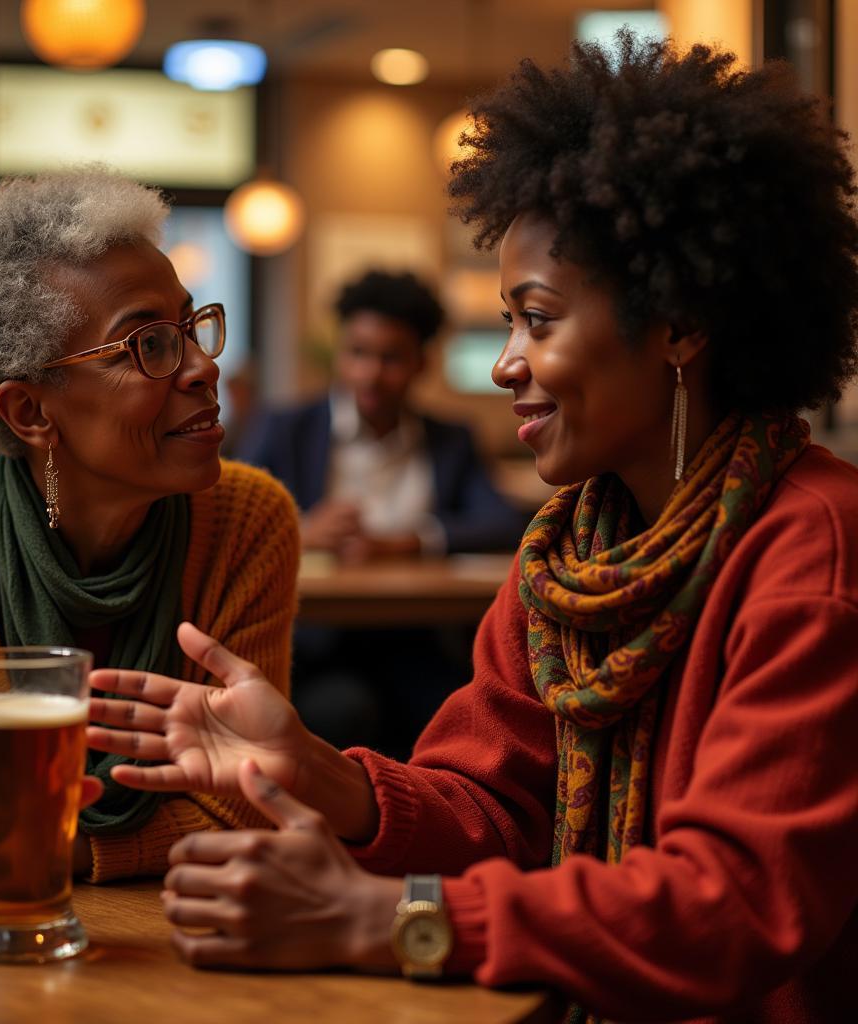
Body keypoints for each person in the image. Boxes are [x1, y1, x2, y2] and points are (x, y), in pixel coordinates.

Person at [86, 35, 858, 1022]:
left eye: (536, 320)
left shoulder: (814, 550)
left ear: (679, 323)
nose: (503, 364)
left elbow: (735, 901)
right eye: (505, 322)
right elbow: (493, 810)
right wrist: (316, 770)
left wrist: (386, 918)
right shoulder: (569, 553)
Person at [0, 168, 299, 927]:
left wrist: (11, 846)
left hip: (170, 957)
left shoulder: (247, 520)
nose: (202, 366)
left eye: (190, 326)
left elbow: (246, 808)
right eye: (148, 343)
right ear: (29, 412)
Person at [238, 268, 526, 561]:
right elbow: (235, 525)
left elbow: (501, 524)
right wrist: (301, 531)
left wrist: (406, 544)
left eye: (391, 358)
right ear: (339, 354)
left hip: (421, 604)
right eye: (358, 352)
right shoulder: (286, 430)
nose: (371, 374)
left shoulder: (452, 439)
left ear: (422, 364)